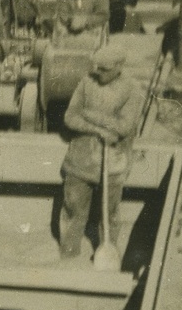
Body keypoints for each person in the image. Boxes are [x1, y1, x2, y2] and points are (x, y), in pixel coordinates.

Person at [59, 44, 143, 261]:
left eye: (104, 69)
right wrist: (99, 129)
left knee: (110, 215)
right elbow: (70, 117)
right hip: (80, 160)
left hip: (113, 163)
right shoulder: (87, 82)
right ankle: (68, 253)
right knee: (73, 210)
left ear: (118, 67)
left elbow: (125, 128)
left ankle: (107, 252)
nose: (98, 72)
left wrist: (90, 114)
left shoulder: (132, 89)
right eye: (96, 66)